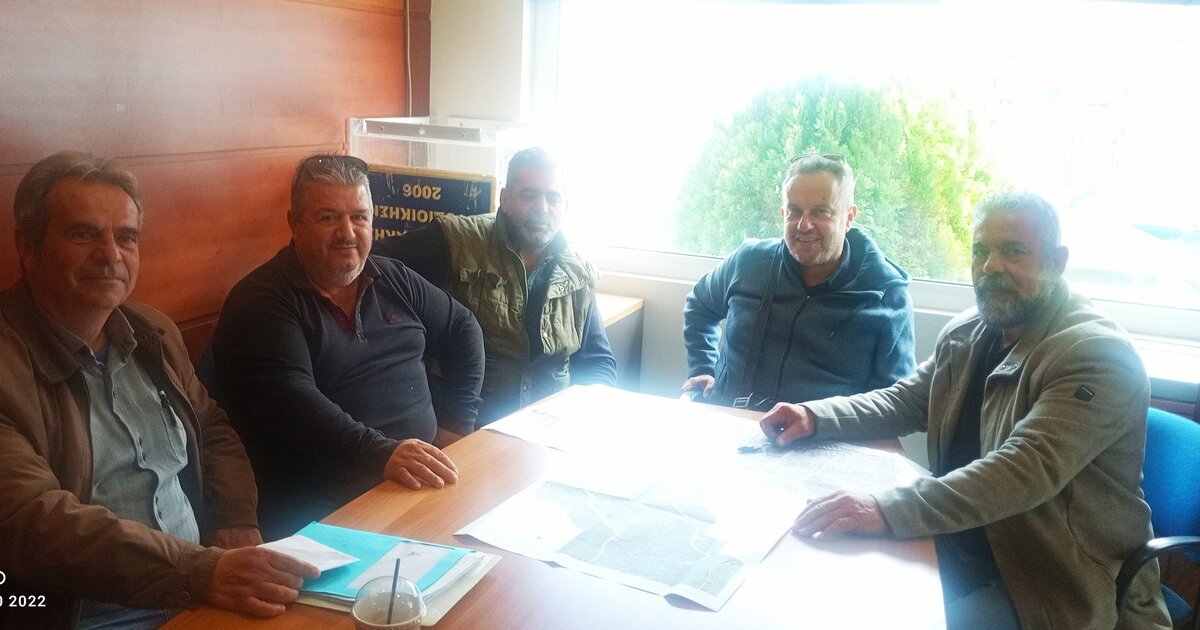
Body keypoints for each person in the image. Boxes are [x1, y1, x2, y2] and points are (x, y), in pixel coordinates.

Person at [760, 192, 1171, 629]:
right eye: (980, 251)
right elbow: (907, 401)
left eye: (1013, 251)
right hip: (957, 542)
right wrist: (815, 416)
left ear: (1056, 262)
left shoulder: (1098, 354)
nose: (991, 266)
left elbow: (1021, 471)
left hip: (1044, 584)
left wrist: (885, 509)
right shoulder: (971, 331)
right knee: (813, 594)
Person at [0, 151, 318, 630]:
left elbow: (211, 428)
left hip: (201, 591)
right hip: (87, 616)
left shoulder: (153, 332)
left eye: (126, 237)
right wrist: (199, 571)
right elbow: (34, 520)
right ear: (28, 247)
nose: (111, 254)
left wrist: (234, 519)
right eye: (83, 234)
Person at [210, 154, 485, 540]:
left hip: (419, 478)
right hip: (328, 504)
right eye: (328, 218)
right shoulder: (260, 302)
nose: (347, 233)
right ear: (294, 222)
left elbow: (463, 328)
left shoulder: (393, 277)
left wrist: (457, 421)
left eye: (359, 217)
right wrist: (384, 454)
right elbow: (295, 404)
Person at [373, 147, 616, 425]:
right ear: (505, 199)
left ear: (566, 206)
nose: (542, 208)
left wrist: (585, 418)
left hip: (549, 430)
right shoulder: (457, 241)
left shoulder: (577, 273)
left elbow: (598, 362)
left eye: (553, 197)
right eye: (529, 195)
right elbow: (369, 263)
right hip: (466, 426)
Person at [681, 153, 915, 410]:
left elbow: (896, 403)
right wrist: (703, 367)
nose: (804, 225)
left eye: (821, 212)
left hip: (821, 431)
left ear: (849, 217)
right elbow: (700, 304)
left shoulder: (886, 295)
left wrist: (824, 420)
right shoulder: (749, 262)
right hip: (727, 418)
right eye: (794, 211)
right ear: (783, 212)